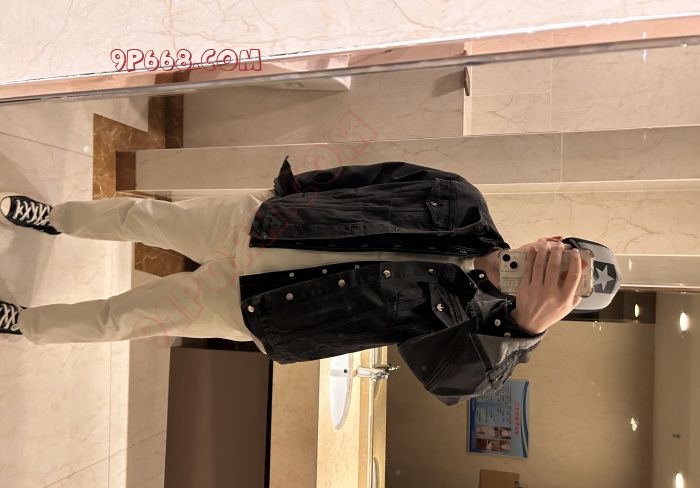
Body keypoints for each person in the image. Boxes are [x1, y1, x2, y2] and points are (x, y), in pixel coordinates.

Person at [0, 157, 621, 405]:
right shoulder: (461, 200)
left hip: (264, 310)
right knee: (145, 217)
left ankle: (23, 324)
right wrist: (288, 192)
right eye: (561, 253)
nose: (546, 263)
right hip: (260, 224)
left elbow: (449, 383)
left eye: (561, 279)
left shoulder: (480, 328)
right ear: (553, 236)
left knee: (124, 318)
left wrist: (525, 327)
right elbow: (369, 176)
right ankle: (55, 218)